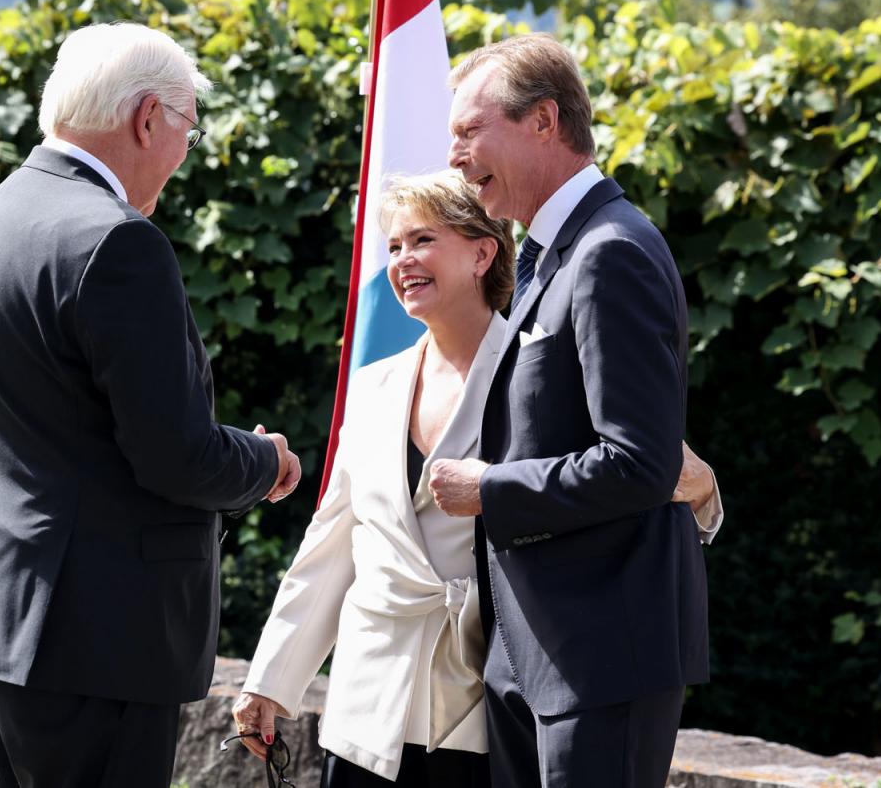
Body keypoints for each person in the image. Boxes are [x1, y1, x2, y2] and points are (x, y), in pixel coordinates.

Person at [231, 172, 722, 786]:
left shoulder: (542, 373)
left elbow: (640, 470)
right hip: (365, 708)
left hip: (483, 700)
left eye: (423, 240)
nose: (403, 260)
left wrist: (703, 496)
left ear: (482, 252)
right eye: (394, 246)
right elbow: (331, 544)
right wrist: (270, 682)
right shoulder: (373, 385)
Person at [0, 22, 301, 787]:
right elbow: (176, 454)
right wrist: (265, 460)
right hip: (95, 639)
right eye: (187, 133)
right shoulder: (117, 242)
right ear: (146, 119)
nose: (181, 156)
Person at [428, 33, 709, 788]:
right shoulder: (554, 250)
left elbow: (641, 464)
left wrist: (491, 490)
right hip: (537, 654)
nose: (454, 156)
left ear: (544, 122)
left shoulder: (609, 250)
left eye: (467, 131)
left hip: (599, 656)